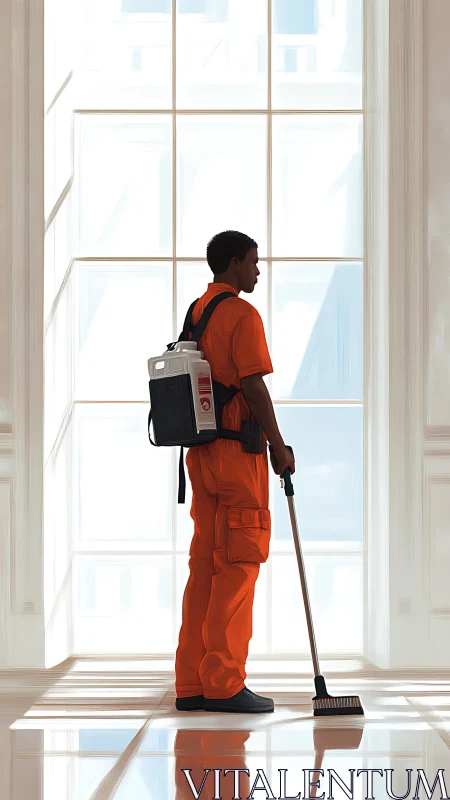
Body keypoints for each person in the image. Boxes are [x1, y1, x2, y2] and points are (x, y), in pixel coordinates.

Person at [175, 230, 295, 713]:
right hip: (237, 457)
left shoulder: (197, 312)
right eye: (253, 261)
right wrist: (278, 446)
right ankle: (224, 682)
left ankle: (192, 682)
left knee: (205, 563)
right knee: (239, 562)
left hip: (201, 454)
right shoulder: (243, 315)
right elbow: (252, 386)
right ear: (233, 263)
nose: (258, 270)